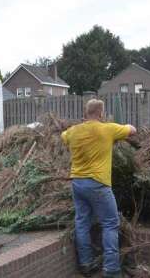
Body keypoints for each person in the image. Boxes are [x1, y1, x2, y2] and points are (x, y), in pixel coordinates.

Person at [61, 99, 136, 278]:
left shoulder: (73, 131)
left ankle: (86, 263)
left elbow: (63, 136)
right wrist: (122, 126)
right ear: (101, 113)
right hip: (98, 184)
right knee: (110, 223)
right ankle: (111, 269)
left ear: (85, 113)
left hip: (78, 183)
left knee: (82, 222)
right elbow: (132, 130)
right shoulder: (107, 128)